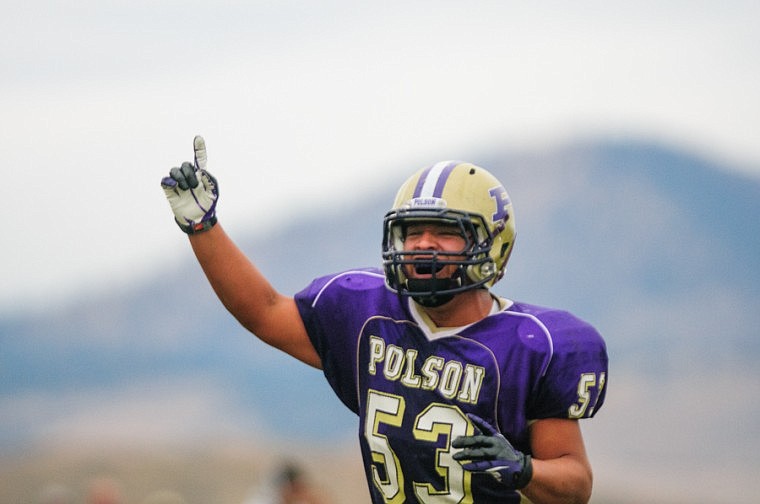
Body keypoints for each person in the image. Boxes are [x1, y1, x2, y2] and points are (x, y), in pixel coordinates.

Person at [161, 136, 608, 504]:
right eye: (413, 231)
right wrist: (204, 228)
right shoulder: (366, 313)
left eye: (446, 232)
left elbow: (575, 486)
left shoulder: (533, 345)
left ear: (492, 245)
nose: (423, 245)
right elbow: (263, 312)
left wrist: (524, 469)